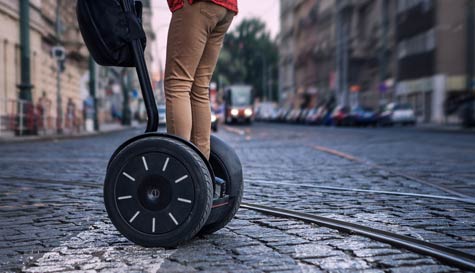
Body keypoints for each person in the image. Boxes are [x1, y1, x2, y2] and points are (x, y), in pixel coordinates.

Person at [165, 0, 237, 160]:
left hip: (197, 4)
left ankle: (181, 164)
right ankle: (200, 168)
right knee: (199, 88)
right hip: (225, 8)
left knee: (178, 83)